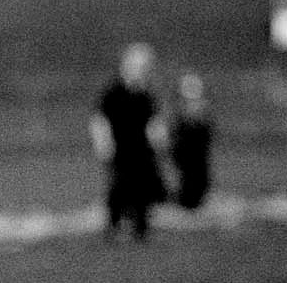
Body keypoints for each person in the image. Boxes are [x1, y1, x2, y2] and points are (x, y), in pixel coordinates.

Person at [89, 42, 168, 241]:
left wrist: (159, 141)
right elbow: (100, 119)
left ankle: (141, 227)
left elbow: (153, 120)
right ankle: (113, 226)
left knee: (143, 188)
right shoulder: (114, 92)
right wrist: (104, 144)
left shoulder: (145, 94)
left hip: (142, 150)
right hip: (121, 149)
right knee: (119, 187)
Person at [170, 72, 214, 210]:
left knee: (199, 181)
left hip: (197, 155)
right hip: (186, 155)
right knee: (189, 181)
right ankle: (186, 202)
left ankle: (191, 203)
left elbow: (206, 134)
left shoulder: (202, 109)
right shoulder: (181, 110)